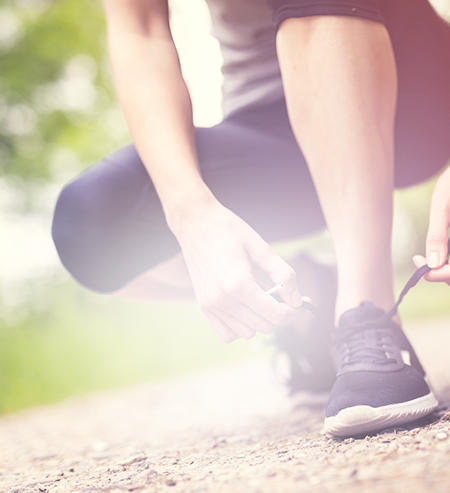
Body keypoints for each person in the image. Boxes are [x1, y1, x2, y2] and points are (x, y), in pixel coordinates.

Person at [52, 0, 450, 437]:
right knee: (92, 226)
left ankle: (367, 312)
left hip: (423, 96)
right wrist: (190, 212)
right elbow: (140, 33)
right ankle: (315, 303)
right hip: (273, 129)